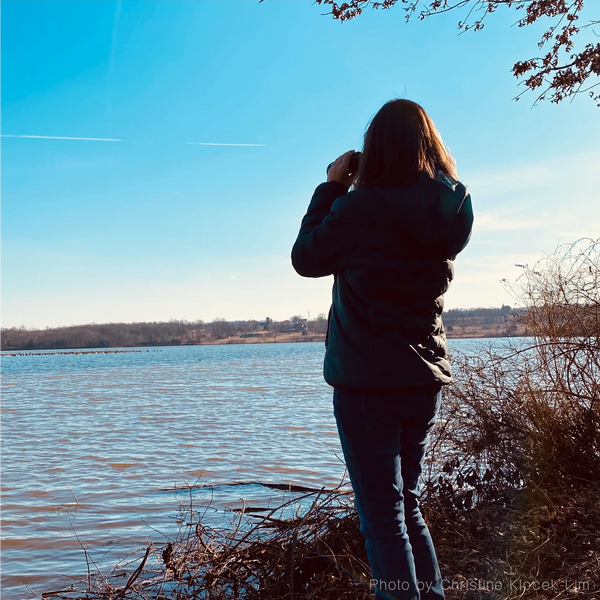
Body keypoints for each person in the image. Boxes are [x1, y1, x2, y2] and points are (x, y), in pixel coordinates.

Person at [291, 99, 473, 600]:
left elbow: (306, 257)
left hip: (368, 380)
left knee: (381, 513)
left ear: (375, 150)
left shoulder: (362, 206)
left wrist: (331, 186)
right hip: (423, 378)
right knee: (405, 503)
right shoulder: (452, 206)